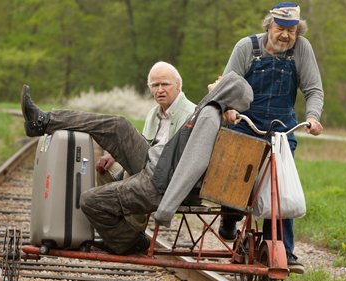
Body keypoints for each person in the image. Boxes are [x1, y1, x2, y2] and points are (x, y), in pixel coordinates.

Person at [21, 71, 253, 255]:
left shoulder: (209, 117)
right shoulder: (208, 109)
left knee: (89, 200)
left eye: (220, 81)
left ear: (225, 89)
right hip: (155, 162)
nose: (215, 80)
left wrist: (166, 209)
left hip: (157, 183)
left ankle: (128, 241)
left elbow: (193, 164)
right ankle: (43, 121)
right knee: (118, 125)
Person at [218, 1, 324, 274]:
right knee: (234, 179)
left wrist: (312, 117)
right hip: (245, 122)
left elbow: (313, 89)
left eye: (292, 30)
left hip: (281, 127)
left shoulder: (302, 49)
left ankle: (283, 252)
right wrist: (228, 109)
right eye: (281, 28)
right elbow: (227, 85)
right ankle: (229, 216)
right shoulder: (246, 48)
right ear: (269, 26)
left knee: (281, 189)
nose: (286, 36)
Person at [95, 61, 195, 186]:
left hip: (168, 178)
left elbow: (182, 160)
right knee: (105, 169)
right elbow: (143, 145)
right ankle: (105, 204)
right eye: (155, 85)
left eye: (165, 84)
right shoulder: (153, 113)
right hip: (146, 167)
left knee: (132, 173)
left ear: (178, 85)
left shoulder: (191, 114)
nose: (160, 90)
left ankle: (124, 203)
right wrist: (116, 155)